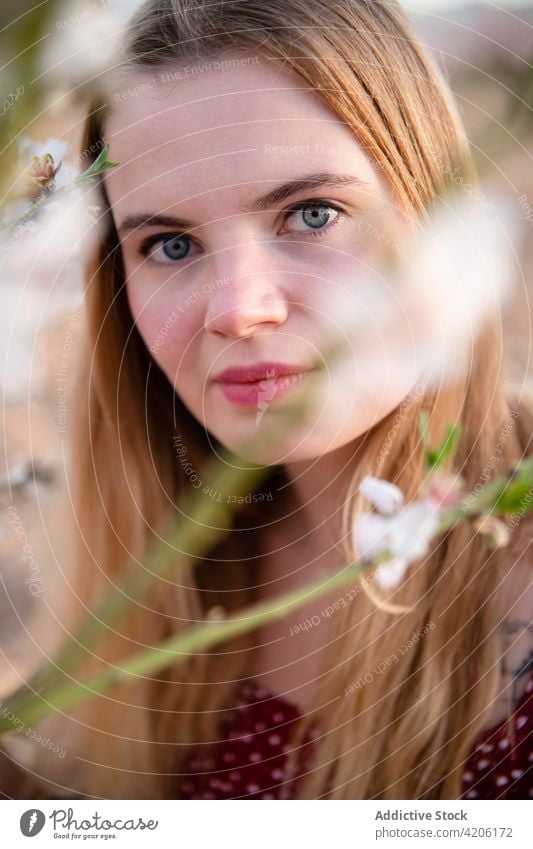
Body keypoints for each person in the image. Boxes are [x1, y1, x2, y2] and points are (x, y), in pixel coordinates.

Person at [13, 0, 532, 800]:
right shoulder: (142, 598)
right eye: (170, 244)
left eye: (311, 214)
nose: (238, 308)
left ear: (434, 218)